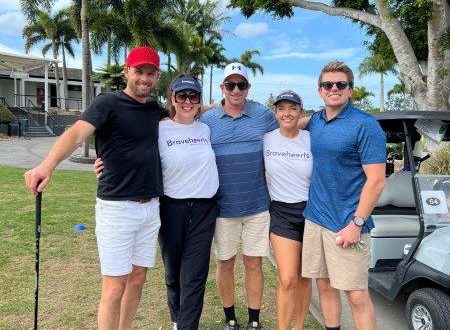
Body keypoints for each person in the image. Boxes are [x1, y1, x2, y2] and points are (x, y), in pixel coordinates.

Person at [24, 46, 164, 330]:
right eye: (139, 71)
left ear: (157, 76)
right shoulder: (107, 103)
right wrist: (46, 166)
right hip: (117, 208)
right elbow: (76, 133)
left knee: (138, 277)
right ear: (127, 72)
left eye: (151, 73)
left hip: (150, 208)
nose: (144, 79)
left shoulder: (156, 111)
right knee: (114, 286)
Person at [94, 75, 219, 330]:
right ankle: (177, 320)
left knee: (194, 275)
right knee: (173, 272)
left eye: (193, 96)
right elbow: (131, 149)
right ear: (172, 99)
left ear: (199, 101)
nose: (187, 101)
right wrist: (106, 164)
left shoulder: (206, 128)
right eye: (181, 96)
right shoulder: (159, 126)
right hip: (170, 206)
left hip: (205, 208)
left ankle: (187, 327)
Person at [301, 61, 386, 330]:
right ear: (320, 90)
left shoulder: (365, 125)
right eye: (328, 84)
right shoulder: (315, 120)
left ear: (351, 90)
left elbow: (376, 181)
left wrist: (357, 224)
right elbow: (286, 121)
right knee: (324, 285)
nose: (334, 88)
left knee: (357, 294)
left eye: (341, 84)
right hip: (316, 219)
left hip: (348, 223)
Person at [200, 63, 278, 330]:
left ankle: (254, 321)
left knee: (254, 263)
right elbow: (177, 130)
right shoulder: (207, 120)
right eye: (230, 85)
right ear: (222, 88)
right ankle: (230, 318)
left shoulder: (263, 115)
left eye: (241, 85)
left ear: (248, 88)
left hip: (257, 205)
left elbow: (291, 123)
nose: (236, 90)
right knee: (225, 262)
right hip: (222, 207)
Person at [263, 91, 312, 330]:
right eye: (281, 108)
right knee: (287, 278)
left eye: (293, 108)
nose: (287, 113)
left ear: (300, 112)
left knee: (305, 277)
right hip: (281, 211)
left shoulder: (311, 139)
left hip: (311, 211)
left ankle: (299, 326)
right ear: (275, 113)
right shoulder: (266, 139)